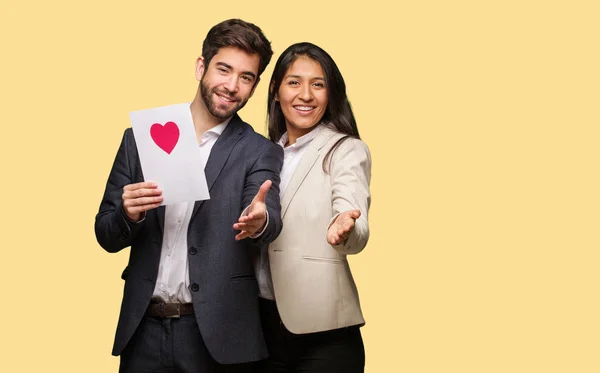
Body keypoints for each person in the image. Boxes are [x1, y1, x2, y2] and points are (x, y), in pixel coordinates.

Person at [95, 19, 283, 373]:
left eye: (246, 77)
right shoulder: (140, 139)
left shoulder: (260, 151)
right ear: (201, 66)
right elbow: (105, 233)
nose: (231, 86)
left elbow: (268, 214)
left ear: (255, 86)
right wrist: (127, 214)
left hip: (216, 335)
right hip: (142, 331)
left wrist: (260, 221)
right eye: (224, 69)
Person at [253, 42, 371, 372]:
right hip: (259, 332)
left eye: (317, 84)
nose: (306, 94)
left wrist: (345, 228)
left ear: (330, 94)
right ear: (275, 91)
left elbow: (354, 218)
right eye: (294, 82)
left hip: (325, 335)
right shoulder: (260, 155)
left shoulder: (345, 150)